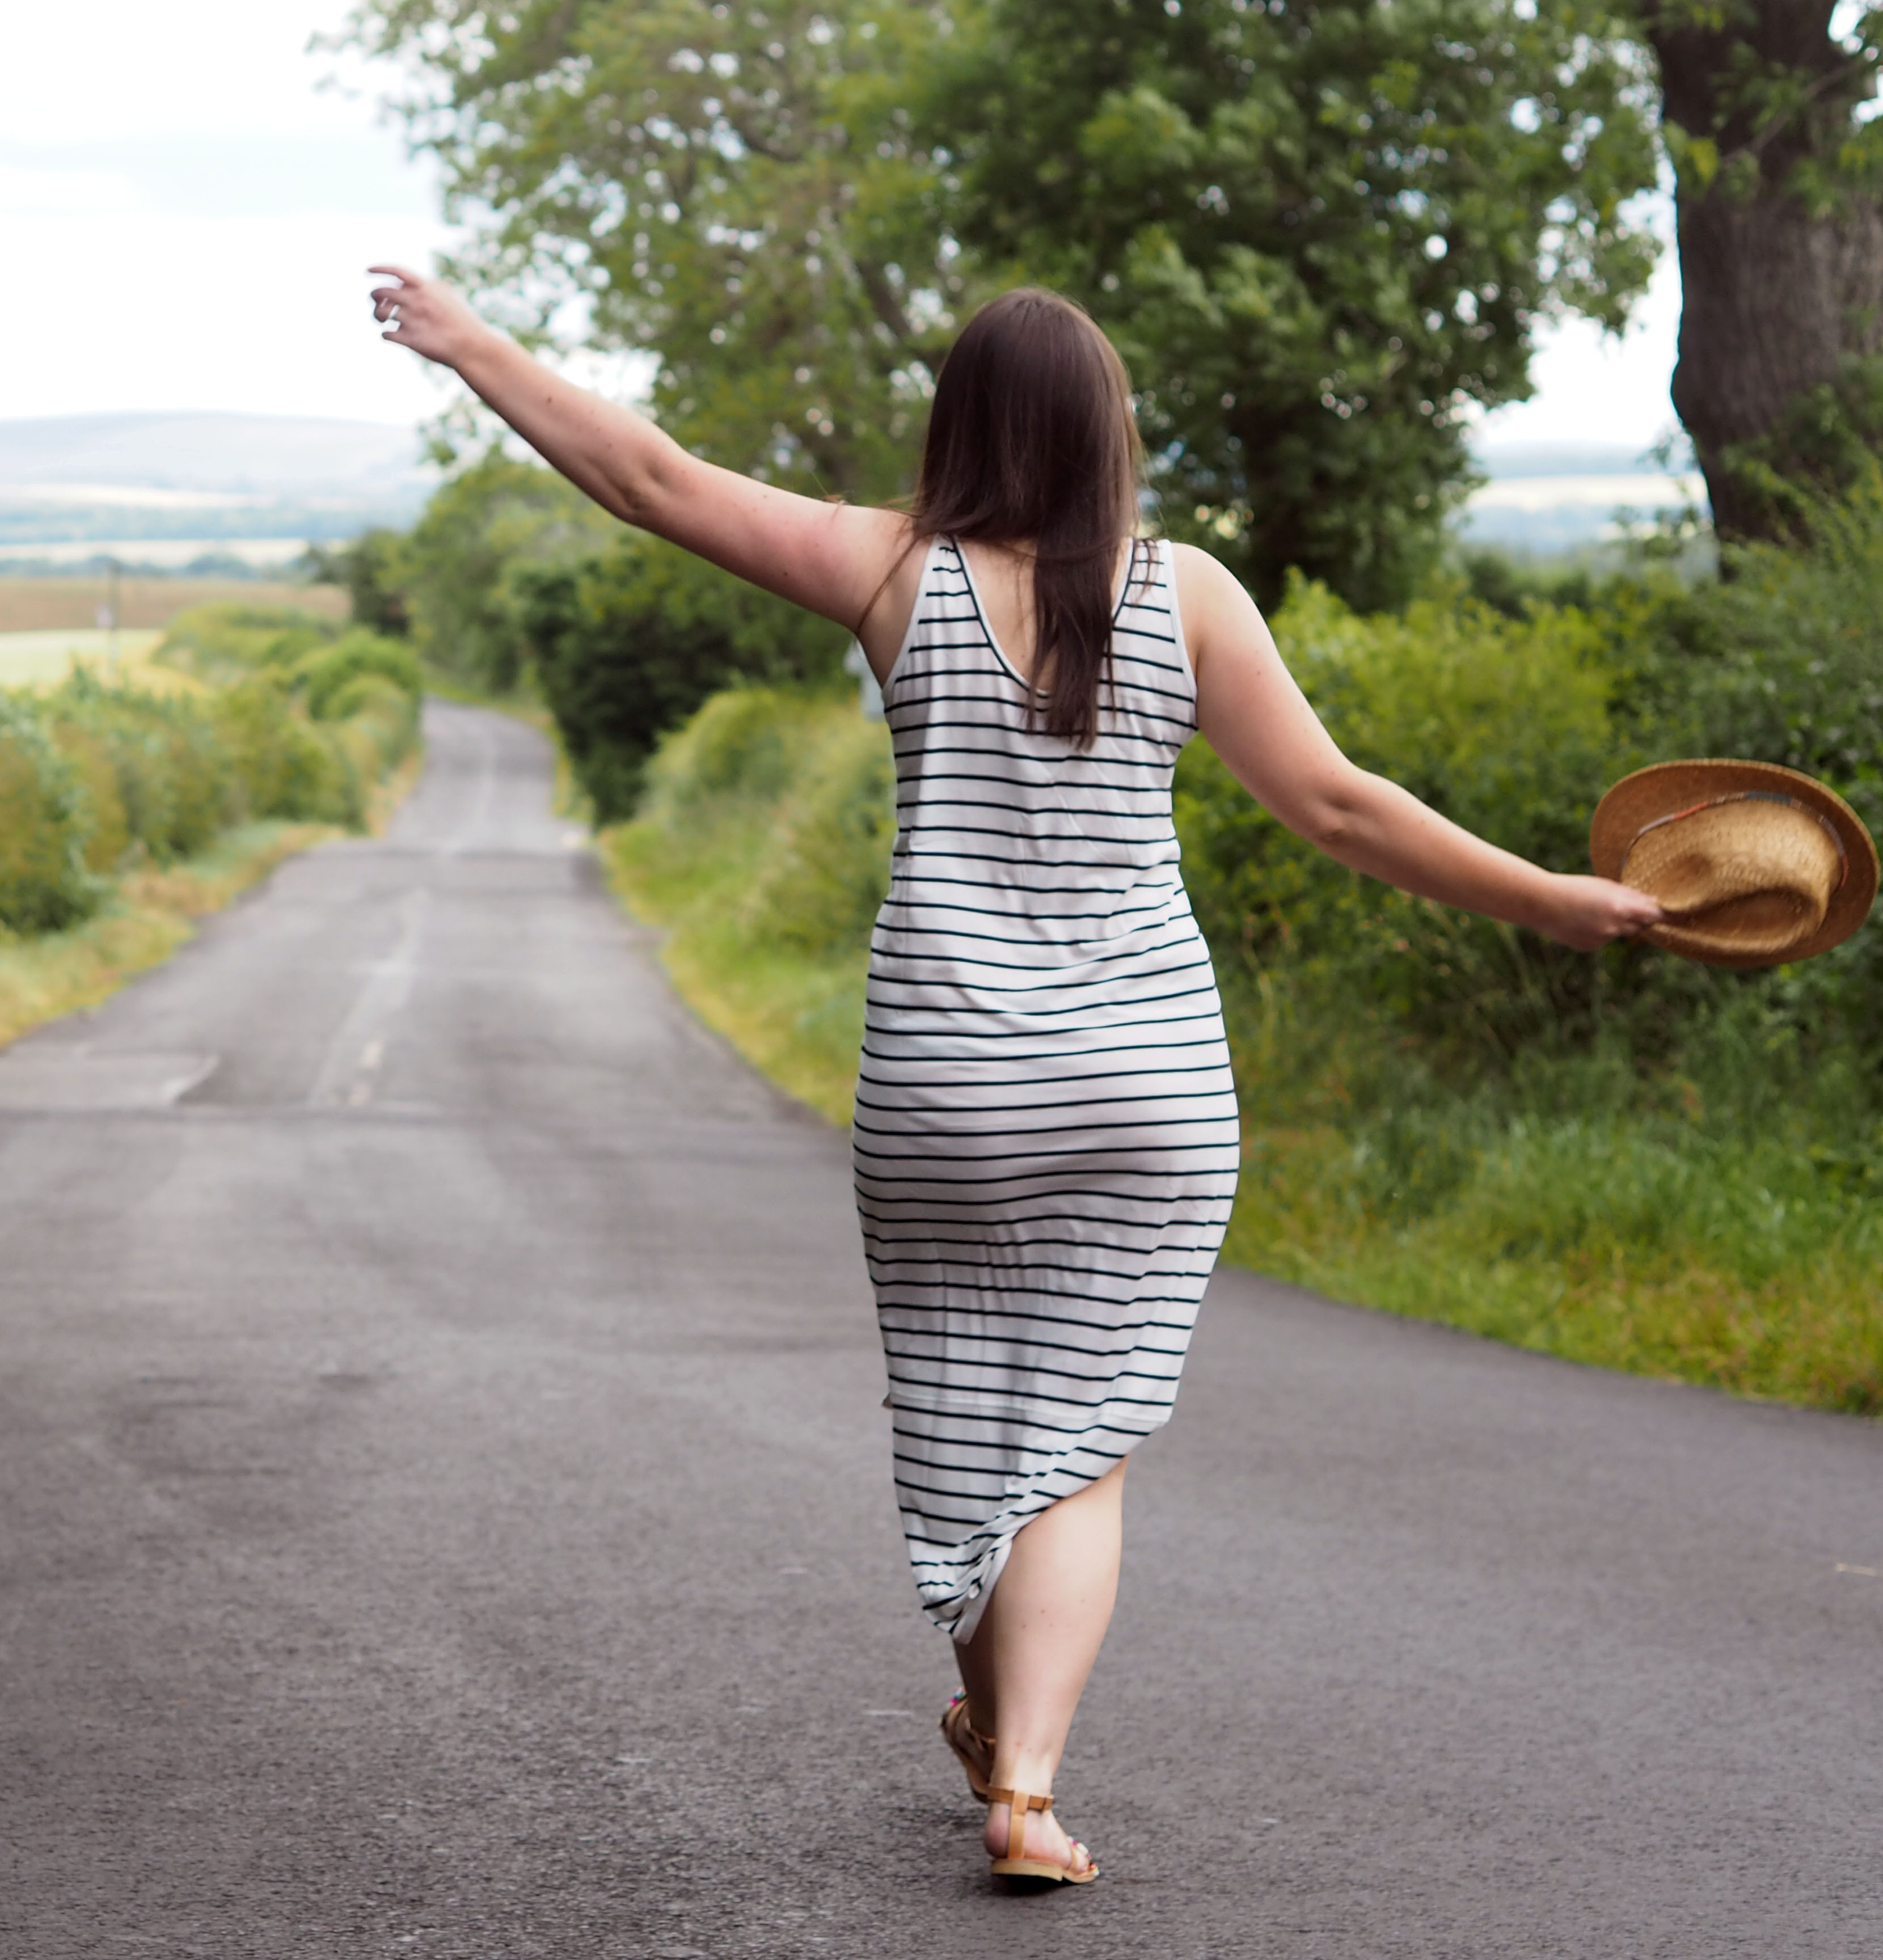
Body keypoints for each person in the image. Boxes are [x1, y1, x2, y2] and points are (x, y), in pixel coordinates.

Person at [368, 267, 1662, 1885]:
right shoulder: (1185, 595)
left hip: (948, 1081)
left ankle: (1013, 1763)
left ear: (961, 425)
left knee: (977, 1418)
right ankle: (1023, 1785)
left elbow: (650, 480)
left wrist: (471, 343)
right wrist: (1555, 899)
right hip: (1146, 1084)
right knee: (1082, 1438)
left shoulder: (891, 568)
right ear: (1111, 432)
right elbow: (1340, 808)